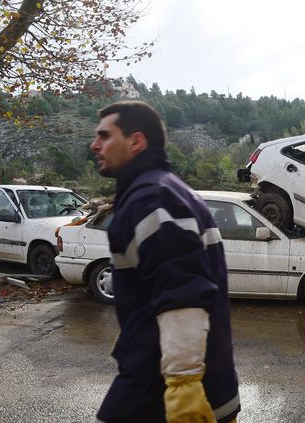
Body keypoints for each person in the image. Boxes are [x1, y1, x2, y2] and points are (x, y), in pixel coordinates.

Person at [90, 101, 240, 423]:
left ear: (136, 141)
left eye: (104, 136)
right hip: (199, 381)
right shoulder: (169, 190)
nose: (95, 145)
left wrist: (183, 386)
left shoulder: (150, 198)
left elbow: (181, 290)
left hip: (160, 391)